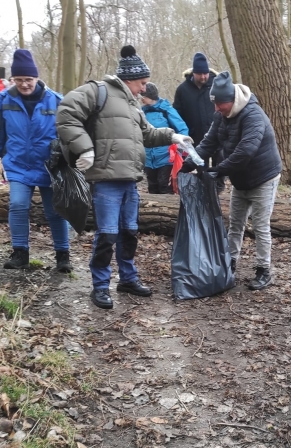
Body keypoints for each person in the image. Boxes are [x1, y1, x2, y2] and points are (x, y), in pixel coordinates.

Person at [57, 45, 193, 310]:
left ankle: (128, 279)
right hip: (106, 180)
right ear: (130, 79)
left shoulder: (132, 104)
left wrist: (173, 136)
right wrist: (83, 147)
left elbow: (147, 134)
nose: (144, 89)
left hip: (130, 180)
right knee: (107, 235)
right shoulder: (98, 91)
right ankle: (99, 286)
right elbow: (65, 114)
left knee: (129, 232)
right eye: (142, 83)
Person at [180, 72, 282, 291]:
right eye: (214, 104)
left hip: (264, 177)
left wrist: (218, 170)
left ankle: (264, 270)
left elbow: (245, 151)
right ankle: (229, 262)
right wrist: (191, 161)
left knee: (260, 225)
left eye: (220, 104)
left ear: (232, 100)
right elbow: (209, 142)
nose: (216, 109)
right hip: (240, 178)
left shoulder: (253, 115)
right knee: (235, 224)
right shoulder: (221, 116)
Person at [0, 49, 73, 273]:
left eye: (28, 79)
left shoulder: (56, 101)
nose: (24, 84)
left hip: (50, 166)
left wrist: (75, 161)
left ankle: (63, 255)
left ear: (37, 78)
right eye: (19, 80)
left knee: (55, 211)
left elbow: (70, 136)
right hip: (19, 164)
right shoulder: (5, 99)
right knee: (18, 205)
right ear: (13, 80)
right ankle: (20, 253)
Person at [173, 53, 225, 192]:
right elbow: (177, 114)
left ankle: (219, 188)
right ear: (193, 73)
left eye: (205, 73)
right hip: (194, 135)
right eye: (199, 74)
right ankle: (205, 188)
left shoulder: (217, 85)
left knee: (219, 161)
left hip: (218, 132)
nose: (203, 77)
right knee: (200, 164)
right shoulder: (183, 90)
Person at [140, 82, 188, 194]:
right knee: (152, 187)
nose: (141, 99)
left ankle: (168, 209)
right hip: (148, 158)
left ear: (150, 96)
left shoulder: (166, 110)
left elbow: (182, 129)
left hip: (166, 157)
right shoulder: (142, 112)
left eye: (143, 96)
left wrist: (182, 149)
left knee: (163, 185)